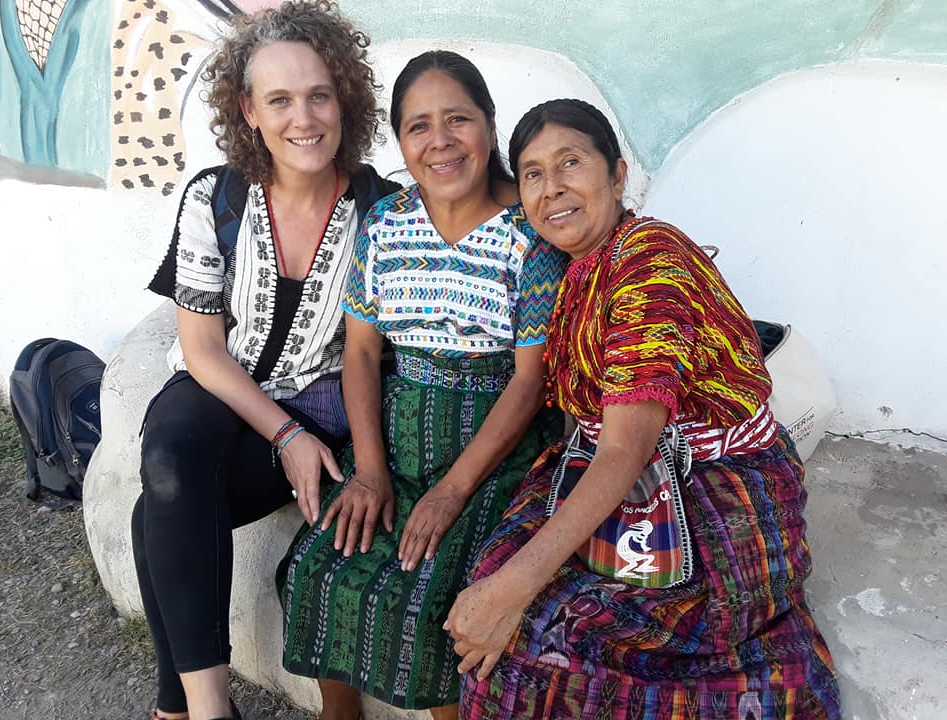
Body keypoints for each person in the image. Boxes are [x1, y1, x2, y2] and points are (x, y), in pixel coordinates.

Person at [446, 99, 842, 720]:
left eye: (571, 163)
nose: (552, 189)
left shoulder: (649, 262)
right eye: (532, 173)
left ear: (617, 176)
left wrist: (515, 589)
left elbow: (626, 449)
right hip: (628, 476)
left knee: (544, 635)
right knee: (491, 581)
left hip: (714, 491)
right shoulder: (572, 266)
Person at [277, 51, 565, 720]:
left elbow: (529, 382)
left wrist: (450, 493)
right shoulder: (385, 224)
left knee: (437, 600)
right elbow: (360, 354)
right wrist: (371, 469)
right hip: (398, 443)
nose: (440, 141)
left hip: (495, 452)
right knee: (318, 567)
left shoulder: (531, 235)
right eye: (419, 126)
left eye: (458, 119)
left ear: (490, 126)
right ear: (400, 140)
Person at [132, 3, 397, 719]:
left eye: (319, 94)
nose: (302, 118)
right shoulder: (215, 197)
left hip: (321, 404)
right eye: (279, 99)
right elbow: (204, 350)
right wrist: (286, 435)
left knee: (153, 515)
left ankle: (173, 708)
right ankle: (213, 712)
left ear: (345, 99)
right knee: (172, 454)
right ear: (248, 110)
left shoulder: (384, 212)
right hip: (219, 393)